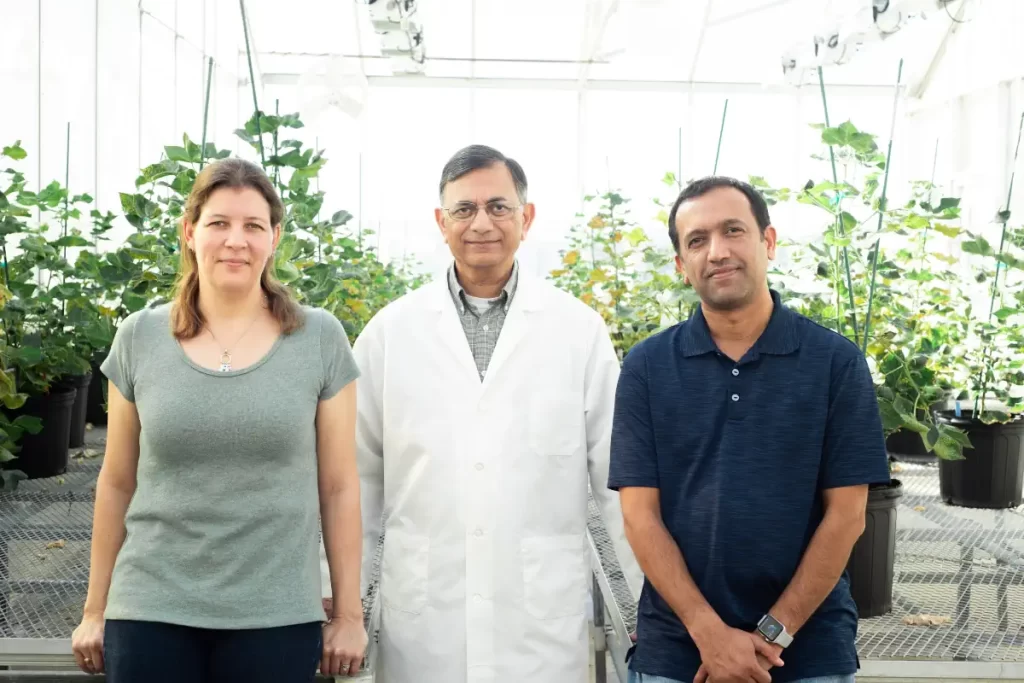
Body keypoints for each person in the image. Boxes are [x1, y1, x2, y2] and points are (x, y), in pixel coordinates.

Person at [320, 144, 643, 683]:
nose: (481, 224)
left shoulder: (577, 331)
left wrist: (643, 608)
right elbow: (354, 481)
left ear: (527, 217)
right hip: (424, 621)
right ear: (440, 222)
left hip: (540, 623)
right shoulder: (389, 334)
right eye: (464, 209)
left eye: (498, 207)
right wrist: (339, 602)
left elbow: (617, 481)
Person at [70, 158, 367, 682]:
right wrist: (96, 609)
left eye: (253, 226)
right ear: (189, 232)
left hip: (275, 614)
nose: (236, 241)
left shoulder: (319, 338)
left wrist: (348, 615)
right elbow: (116, 483)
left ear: (274, 238)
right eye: (219, 223)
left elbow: (340, 486)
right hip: (150, 610)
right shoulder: (140, 337)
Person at [608, 176, 891, 683]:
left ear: (769, 242)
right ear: (681, 265)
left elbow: (847, 517)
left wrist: (771, 637)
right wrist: (710, 634)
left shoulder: (834, 363)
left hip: (806, 646)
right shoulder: (647, 367)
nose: (717, 251)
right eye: (697, 240)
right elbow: (639, 517)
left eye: (733, 230)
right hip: (679, 646)